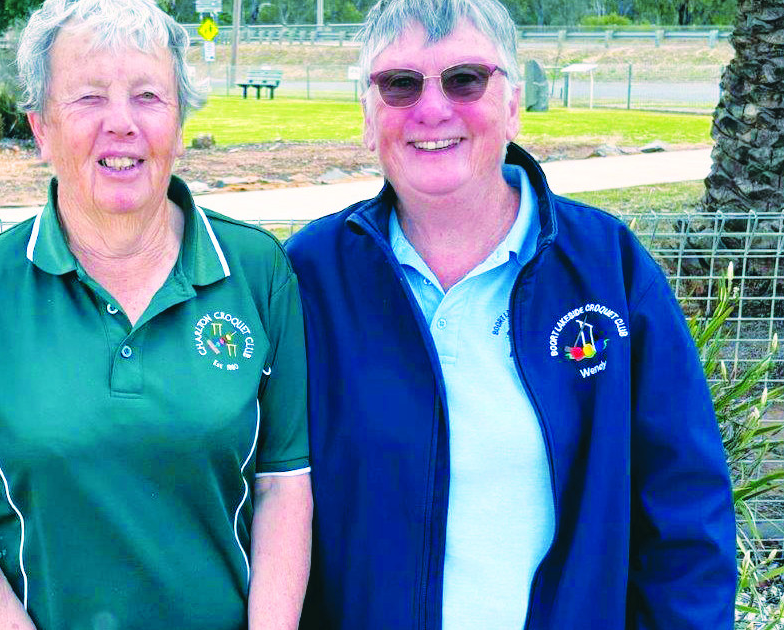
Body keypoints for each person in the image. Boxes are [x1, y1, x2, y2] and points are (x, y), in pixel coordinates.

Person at [285, 0, 736, 628]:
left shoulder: (609, 268)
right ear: (367, 116)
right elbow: (262, 492)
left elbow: (684, 507)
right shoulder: (311, 273)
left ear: (514, 103)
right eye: (399, 83)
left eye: (465, 79)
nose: (432, 108)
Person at [0, 1, 311, 628]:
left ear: (176, 119)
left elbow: (283, 488)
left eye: (148, 96)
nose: (123, 124)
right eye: (88, 98)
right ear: (39, 129)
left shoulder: (259, 273)